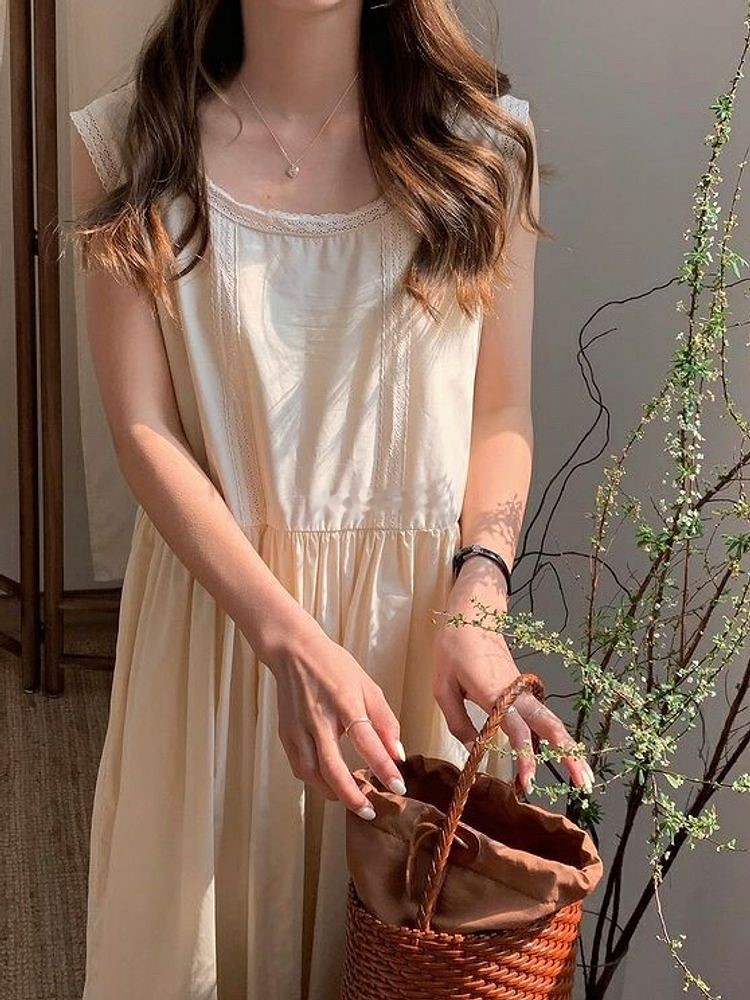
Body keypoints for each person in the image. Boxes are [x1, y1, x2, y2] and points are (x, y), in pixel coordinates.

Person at [66, 0, 594, 997]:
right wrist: (287, 640)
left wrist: (479, 597)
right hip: (224, 635)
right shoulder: (130, 143)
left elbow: (501, 413)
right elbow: (143, 431)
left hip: (411, 649)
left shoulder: (486, 149)